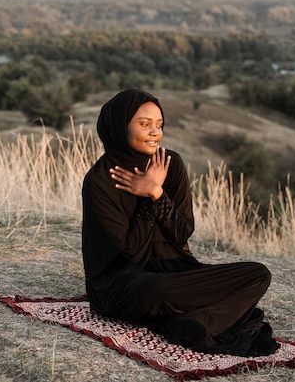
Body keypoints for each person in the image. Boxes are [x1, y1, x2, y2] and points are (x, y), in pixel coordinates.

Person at [81, 89, 280, 357]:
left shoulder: (170, 164)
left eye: (159, 124)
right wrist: (149, 196)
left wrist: (157, 193)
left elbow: (182, 232)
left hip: (174, 271)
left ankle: (195, 323)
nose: (155, 132)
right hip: (122, 286)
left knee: (258, 274)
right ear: (119, 126)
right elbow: (127, 252)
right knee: (155, 288)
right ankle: (201, 315)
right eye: (144, 124)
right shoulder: (100, 181)